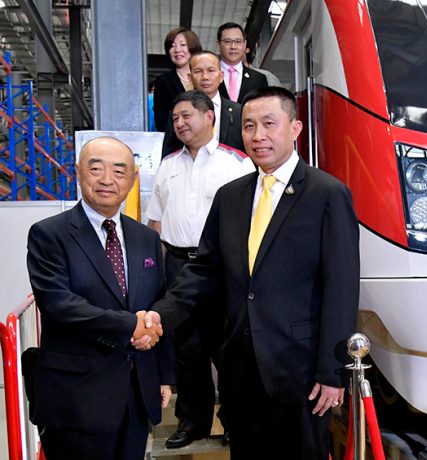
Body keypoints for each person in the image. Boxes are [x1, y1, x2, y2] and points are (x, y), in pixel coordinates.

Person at [144, 87, 360, 460]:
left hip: (301, 372)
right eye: (248, 126)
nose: (258, 135)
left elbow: (341, 287)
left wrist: (332, 371)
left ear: (295, 128)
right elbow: (204, 269)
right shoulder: (231, 196)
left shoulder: (327, 194)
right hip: (240, 370)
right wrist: (160, 315)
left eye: (268, 124)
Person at [26, 137, 173, 460]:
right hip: (77, 396)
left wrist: (162, 376)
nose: (107, 180)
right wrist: (131, 326)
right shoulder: (49, 234)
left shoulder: (146, 238)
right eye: (96, 169)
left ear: (133, 179)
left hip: (135, 391)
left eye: (119, 171)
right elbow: (59, 304)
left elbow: (157, 303)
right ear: (78, 172)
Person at [145, 90, 254, 449]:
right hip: (178, 265)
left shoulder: (236, 163)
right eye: (175, 118)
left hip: (222, 266)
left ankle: (236, 420)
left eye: (186, 115)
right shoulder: (168, 165)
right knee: (187, 349)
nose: (180, 123)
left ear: (209, 117)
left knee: (229, 348)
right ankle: (192, 422)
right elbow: (156, 221)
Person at [162, 50, 245, 157]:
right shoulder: (179, 113)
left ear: (221, 76)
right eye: (198, 71)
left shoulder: (239, 111)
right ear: (190, 78)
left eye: (211, 70)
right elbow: (169, 152)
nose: (205, 77)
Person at [153, 27, 202, 136]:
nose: (177, 50)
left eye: (183, 45)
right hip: (176, 139)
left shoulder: (205, 76)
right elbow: (161, 121)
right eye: (172, 46)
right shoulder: (163, 81)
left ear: (193, 47)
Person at [217, 22, 268, 103]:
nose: (233, 47)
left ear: (245, 44)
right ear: (218, 44)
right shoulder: (210, 76)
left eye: (238, 42)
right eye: (227, 41)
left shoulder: (258, 78)